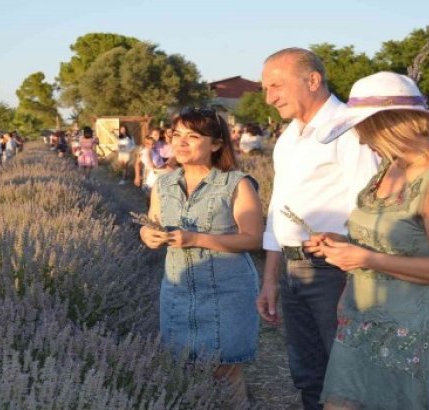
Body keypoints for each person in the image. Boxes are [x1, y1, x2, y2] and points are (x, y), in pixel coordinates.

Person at [303, 71, 429, 409]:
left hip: (416, 331)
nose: (357, 138)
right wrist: (341, 242)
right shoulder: (389, 167)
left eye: (361, 127)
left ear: (387, 124)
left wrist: (365, 259)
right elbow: (395, 240)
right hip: (362, 320)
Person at [257, 48, 379, 410]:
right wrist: (270, 279)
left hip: (334, 272)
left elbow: (371, 211)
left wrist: (356, 277)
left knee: (347, 377)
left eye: (276, 85)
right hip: (295, 272)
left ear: (313, 80)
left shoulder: (349, 129)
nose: (269, 97)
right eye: (265, 88)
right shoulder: (289, 137)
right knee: (308, 374)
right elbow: (278, 211)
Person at [139, 108, 263, 402]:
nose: (181, 143)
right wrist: (148, 235)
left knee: (225, 369)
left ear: (217, 144)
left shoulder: (236, 184)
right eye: (176, 135)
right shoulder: (164, 184)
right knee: (183, 367)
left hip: (226, 291)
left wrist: (196, 238)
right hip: (178, 290)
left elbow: (253, 239)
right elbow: (151, 222)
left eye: (192, 136)